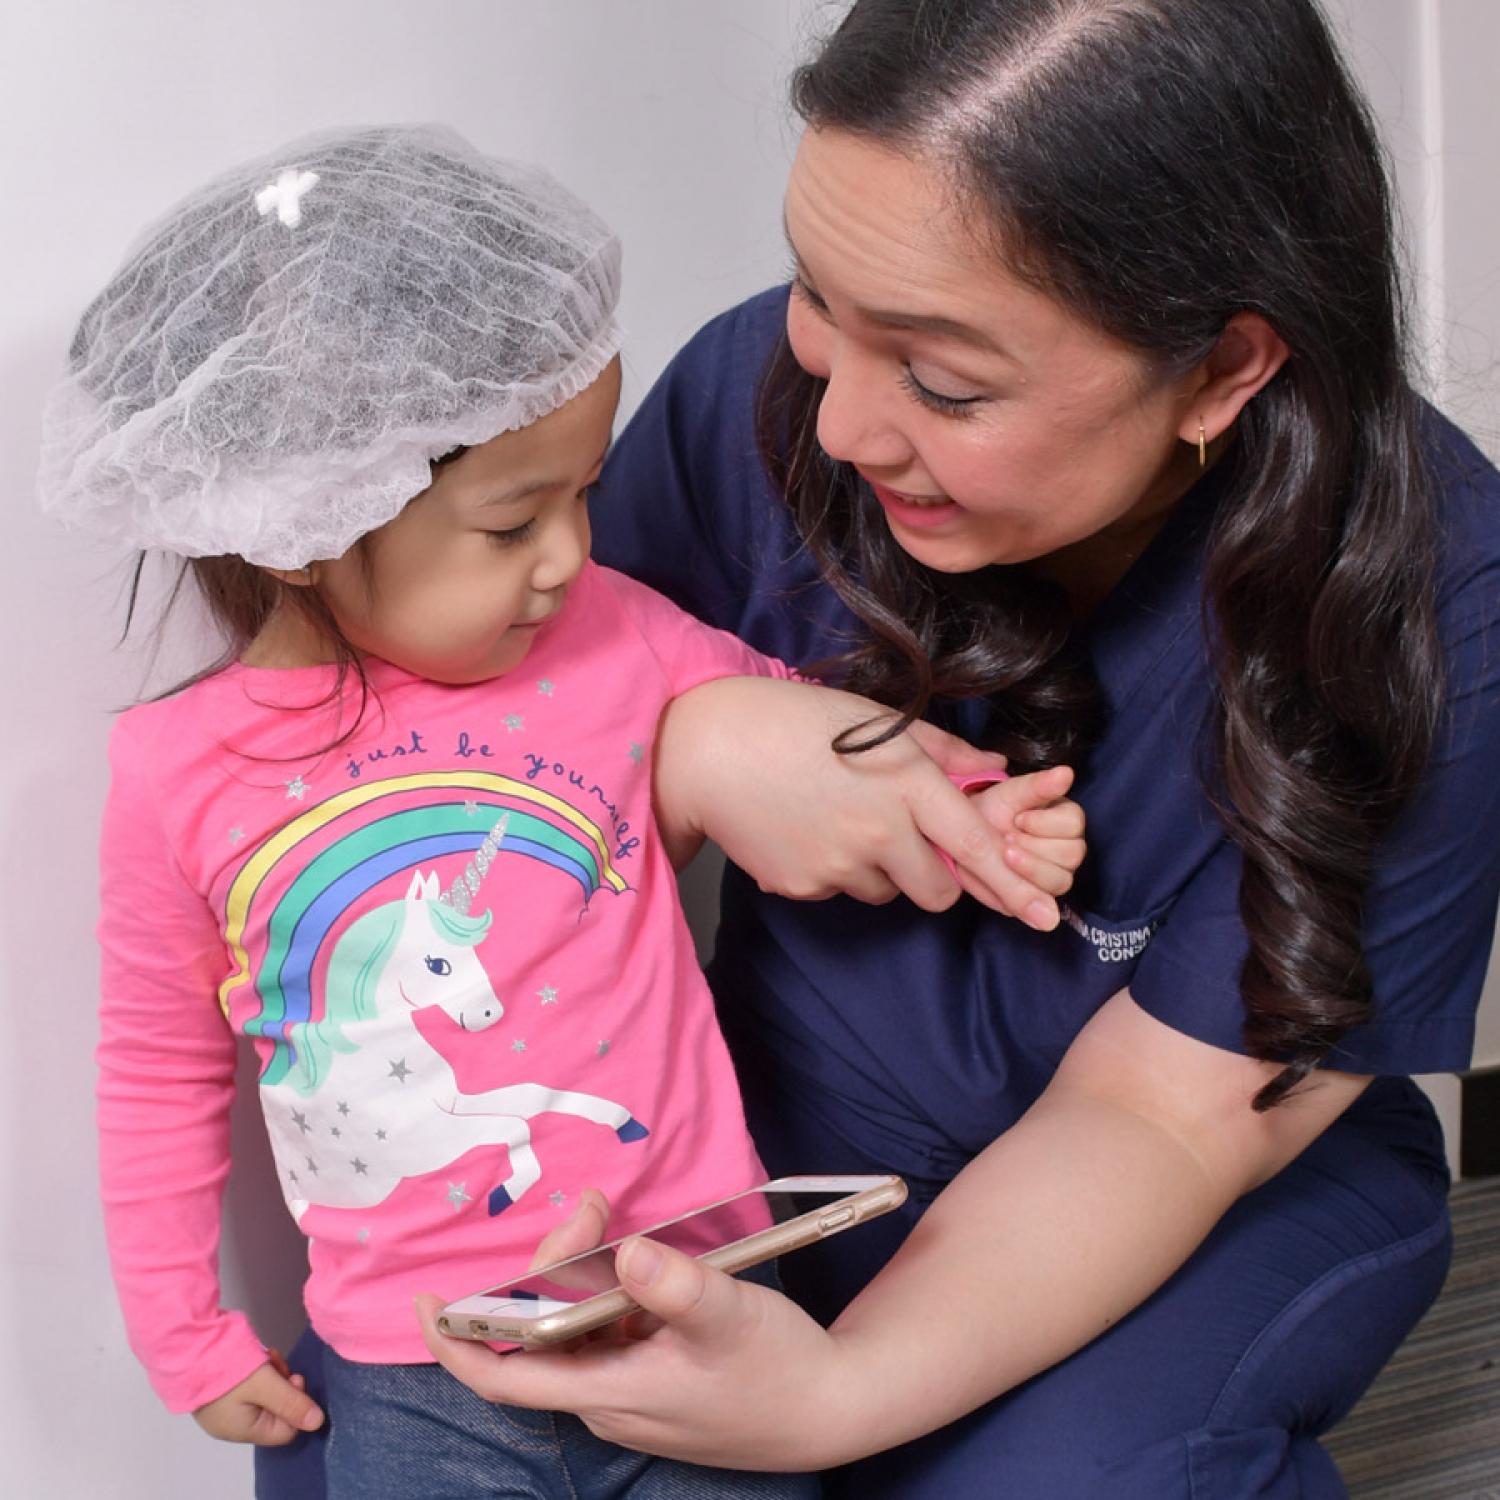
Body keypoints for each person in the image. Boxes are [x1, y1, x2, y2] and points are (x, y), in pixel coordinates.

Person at [414, 2, 1500, 1496]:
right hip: (777, 1134)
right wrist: (698, 743)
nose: (845, 421)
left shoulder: (1439, 593)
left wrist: (834, 1399)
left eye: (945, 383)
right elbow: (453, 781)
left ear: (1220, 369)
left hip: (1206, 1175)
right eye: (814, 292)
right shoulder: (767, 392)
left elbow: (1159, 1122)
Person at [37, 125, 1085, 1500]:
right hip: (419, 1369)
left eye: (581, 496)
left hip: (689, 1307)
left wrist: (971, 804)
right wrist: (186, 1336)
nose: (570, 557)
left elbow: (819, 738)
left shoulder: (616, 639)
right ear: (303, 520)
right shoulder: (183, 775)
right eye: (511, 521)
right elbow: (158, 1072)